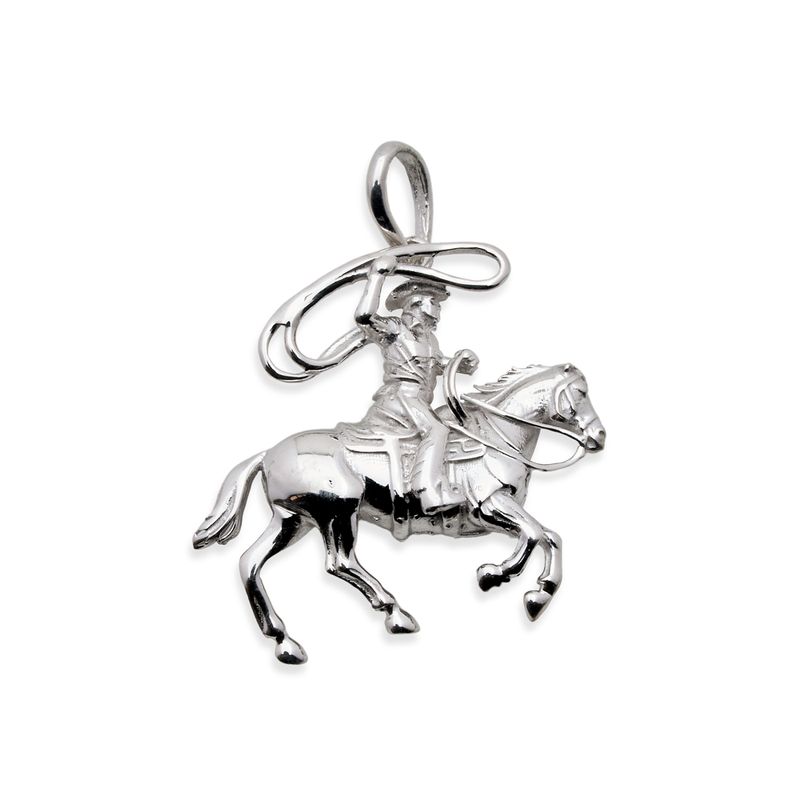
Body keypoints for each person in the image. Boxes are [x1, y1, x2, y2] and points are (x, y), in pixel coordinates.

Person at [353, 255, 478, 513]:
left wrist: (462, 362)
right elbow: (365, 318)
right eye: (436, 303)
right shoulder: (394, 329)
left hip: (420, 401)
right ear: (418, 302)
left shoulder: (430, 340)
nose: (438, 311)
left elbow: (437, 364)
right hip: (400, 399)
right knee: (437, 430)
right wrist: (377, 275)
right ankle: (429, 492)